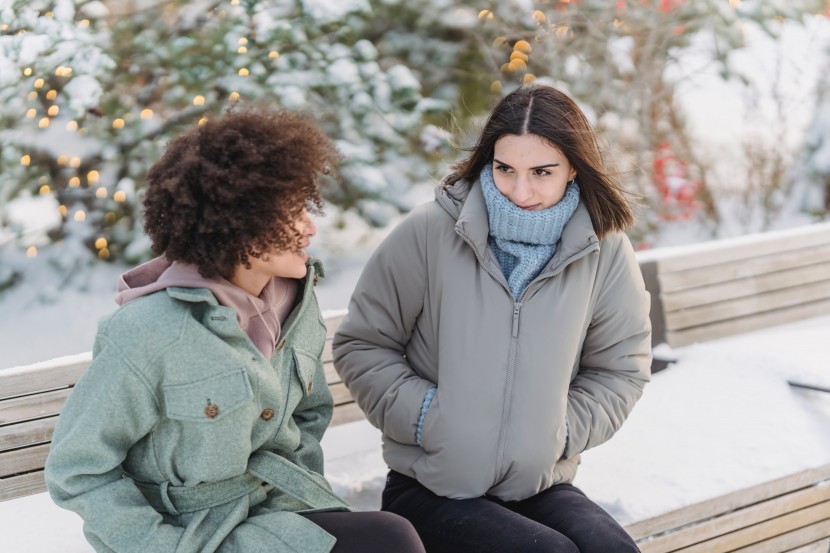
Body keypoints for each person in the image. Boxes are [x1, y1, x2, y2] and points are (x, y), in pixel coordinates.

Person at [45, 108, 425, 553]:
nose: (310, 226)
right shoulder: (149, 332)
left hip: (277, 518)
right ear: (236, 223)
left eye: (305, 205)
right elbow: (77, 470)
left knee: (390, 538)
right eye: (289, 212)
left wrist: (304, 504)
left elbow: (308, 415)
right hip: (193, 537)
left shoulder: (297, 300)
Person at [332, 85, 652, 553]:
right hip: (433, 487)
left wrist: (559, 431)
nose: (520, 191)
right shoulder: (430, 233)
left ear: (573, 169)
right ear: (488, 162)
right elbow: (361, 345)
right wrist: (428, 419)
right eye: (505, 170)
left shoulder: (602, 249)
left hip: (538, 485)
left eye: (541, 172)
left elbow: (620, 367)